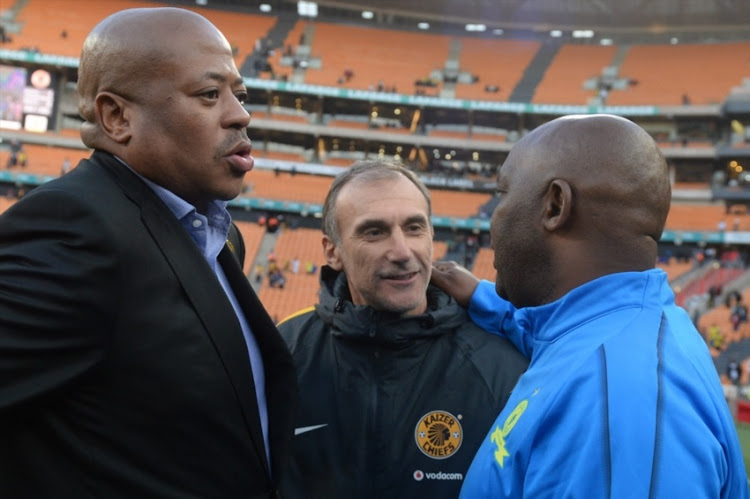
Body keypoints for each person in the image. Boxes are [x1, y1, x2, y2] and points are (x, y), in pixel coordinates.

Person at [0, 7, 297, 497]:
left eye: (238, 95)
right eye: (209, 95)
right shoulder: (75, 230)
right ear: (117, 116)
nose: (241, 114)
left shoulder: (219, 237)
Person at [430, 114, 749, 498]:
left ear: (555, 205)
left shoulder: (619, 406)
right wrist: (483, 297)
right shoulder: (615, 331)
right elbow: (559, 340)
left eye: (502, 195)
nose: (490, 222)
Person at [276, 160, 528, 498]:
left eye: (414, 228)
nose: (401, 251)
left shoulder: (502, 369)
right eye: (374, 232)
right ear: (332, 252)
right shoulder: (282, 354)